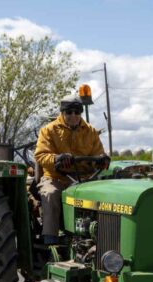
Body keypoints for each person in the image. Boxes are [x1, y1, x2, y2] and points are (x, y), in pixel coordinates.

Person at [34, 95, 107, 245]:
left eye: (77, 112)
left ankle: (103, 236)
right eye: (69, 112)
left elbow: (98, 153)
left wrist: (102, 160)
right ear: (62, 112)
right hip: (56, 178)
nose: (73, 115)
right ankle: (50, 240)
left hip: (85, 179)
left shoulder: (90, 131)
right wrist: (56, 159)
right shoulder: (48, 130)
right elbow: (41, 156)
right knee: (51, 194)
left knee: (105, 195)